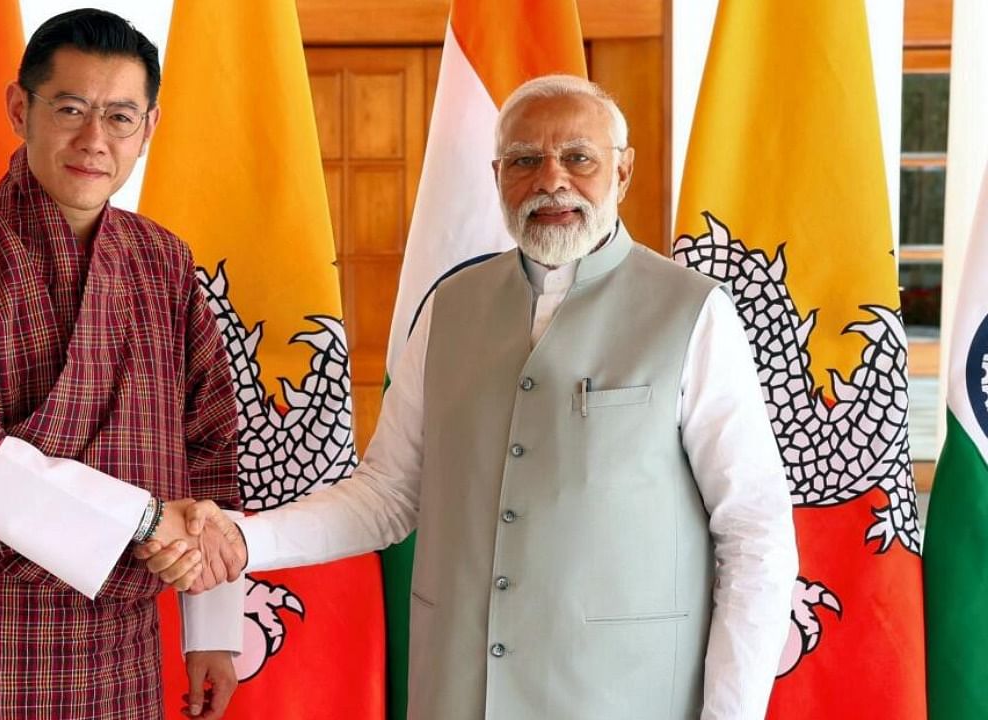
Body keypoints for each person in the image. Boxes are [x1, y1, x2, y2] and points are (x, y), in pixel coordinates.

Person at [148, 74, 799, 719]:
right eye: (524, 160)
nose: (551, 180)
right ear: (496, 177)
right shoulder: (449, 307)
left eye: (578, 157)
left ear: (622, 173)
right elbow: (388, 495)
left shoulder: (693, 313)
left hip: (625, 697)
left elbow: (755, 535)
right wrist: (242, 541)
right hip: (458, 695)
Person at [0, 9, 248, 720]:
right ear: (19, 109)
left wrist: (210, 626)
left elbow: (208, 445)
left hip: (123, 643)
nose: (94, 140)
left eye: (120, 117)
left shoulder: (163, 260)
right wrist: (146, 523)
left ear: (149, 129)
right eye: (70, 108)